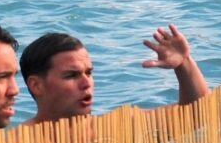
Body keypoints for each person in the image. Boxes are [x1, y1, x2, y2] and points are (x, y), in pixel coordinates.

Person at [19, 26, 210, 124]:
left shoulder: (113, 130)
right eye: (71, 75)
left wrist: (184, 64)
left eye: (89, 73)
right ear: (36, 85)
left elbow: (199, 116)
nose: (87, 83)